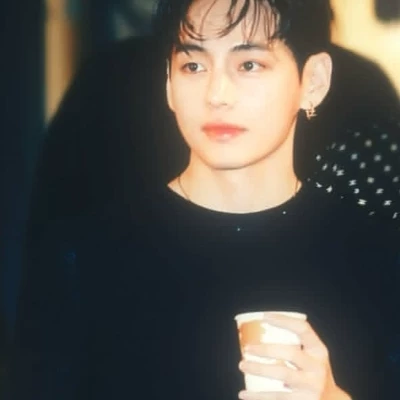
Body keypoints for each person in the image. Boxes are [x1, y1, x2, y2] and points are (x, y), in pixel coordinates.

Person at [11, 1, 400, 399]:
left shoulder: (376, 258)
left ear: (313, 81)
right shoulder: (83, 257)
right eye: (193, 66)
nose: (217, 94)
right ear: (168, 82)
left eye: (249, 64)